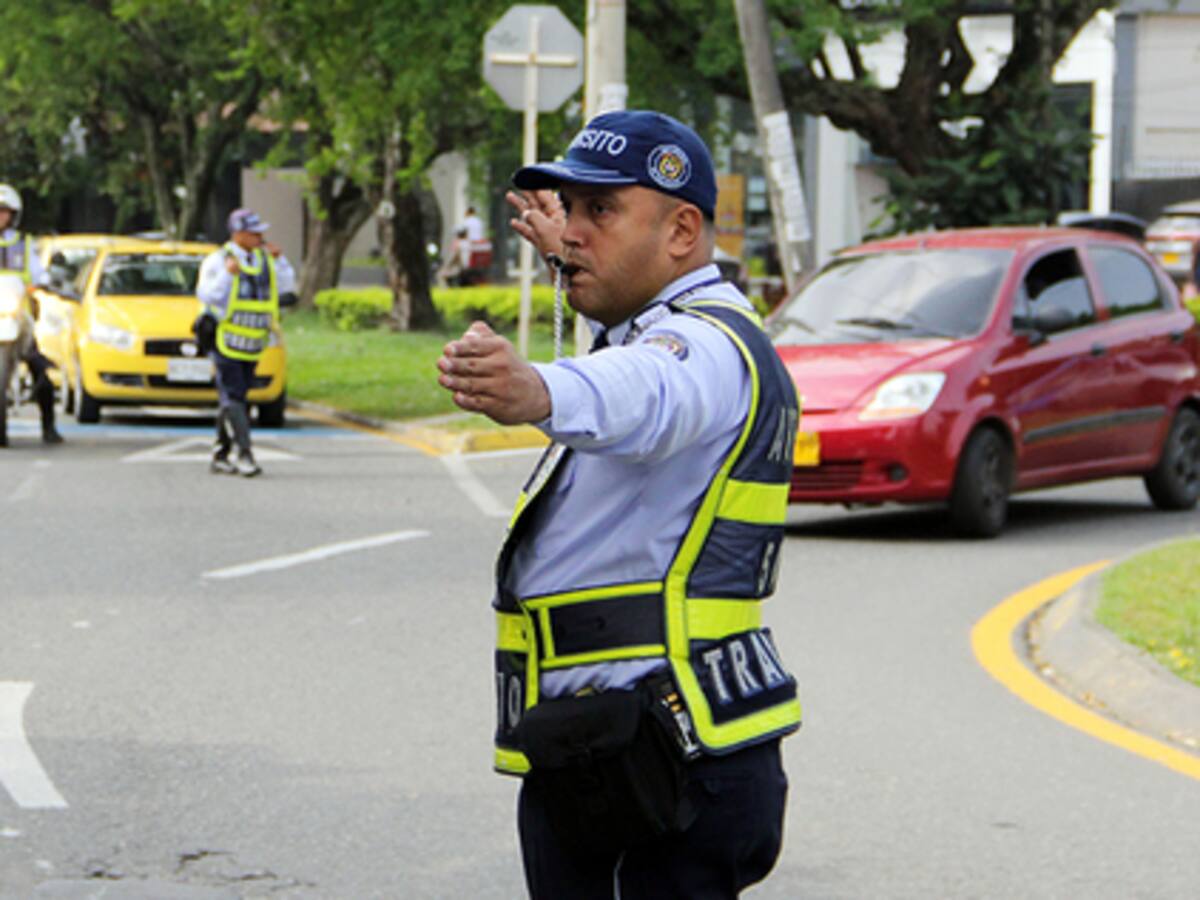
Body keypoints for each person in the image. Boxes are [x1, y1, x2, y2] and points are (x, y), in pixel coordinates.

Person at [436, 110, 802, 898]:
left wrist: (536, 388)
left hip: (667, 759)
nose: (573, 233)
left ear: (681, 232)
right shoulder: (652, 327)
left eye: (601, 212)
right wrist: (575, 254)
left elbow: (646, 393)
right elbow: (629, 354)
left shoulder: (703, 345)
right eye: (569, 211)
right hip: (614, 746)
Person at [195, 208, 295, 477]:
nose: (259, 237)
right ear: (238, 235)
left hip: (253, 340)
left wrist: (281, 261)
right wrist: (229, 275)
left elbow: (285, 287)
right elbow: (207, 295)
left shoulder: (265, 259)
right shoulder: (218, 260)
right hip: (224, 338)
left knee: (235, 397)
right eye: (253, 233)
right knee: (234, 394)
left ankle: (220, 453)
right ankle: (244, 453)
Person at [0, 183, 62, 447]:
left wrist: (44, 281)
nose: (0, 216)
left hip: (18, 318)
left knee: (40, 368)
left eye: (4, 211)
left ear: (14, 214)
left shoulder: (24, 245)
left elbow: (40, 273)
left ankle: (49, 425)